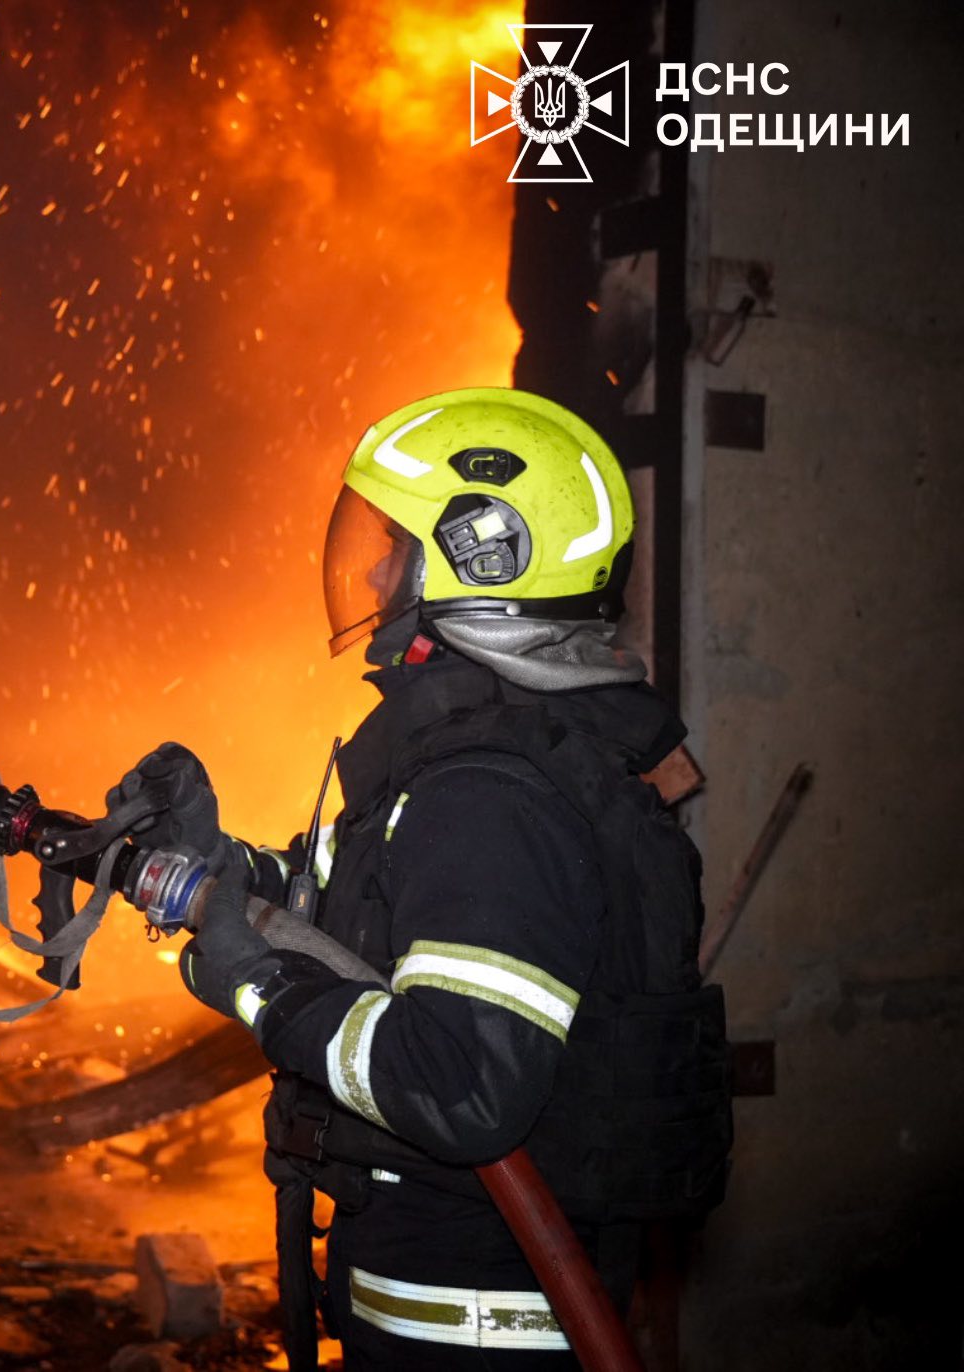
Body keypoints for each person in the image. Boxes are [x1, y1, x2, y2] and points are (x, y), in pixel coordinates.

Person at [110, 388, 731, 1369]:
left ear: (486, 559)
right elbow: (358, 903)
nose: (370, 573)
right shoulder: (477, 767)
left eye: (392, 546)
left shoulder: (489, 797)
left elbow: (459, 1085)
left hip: (469, 1331)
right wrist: (222, 866)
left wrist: (259, 989)